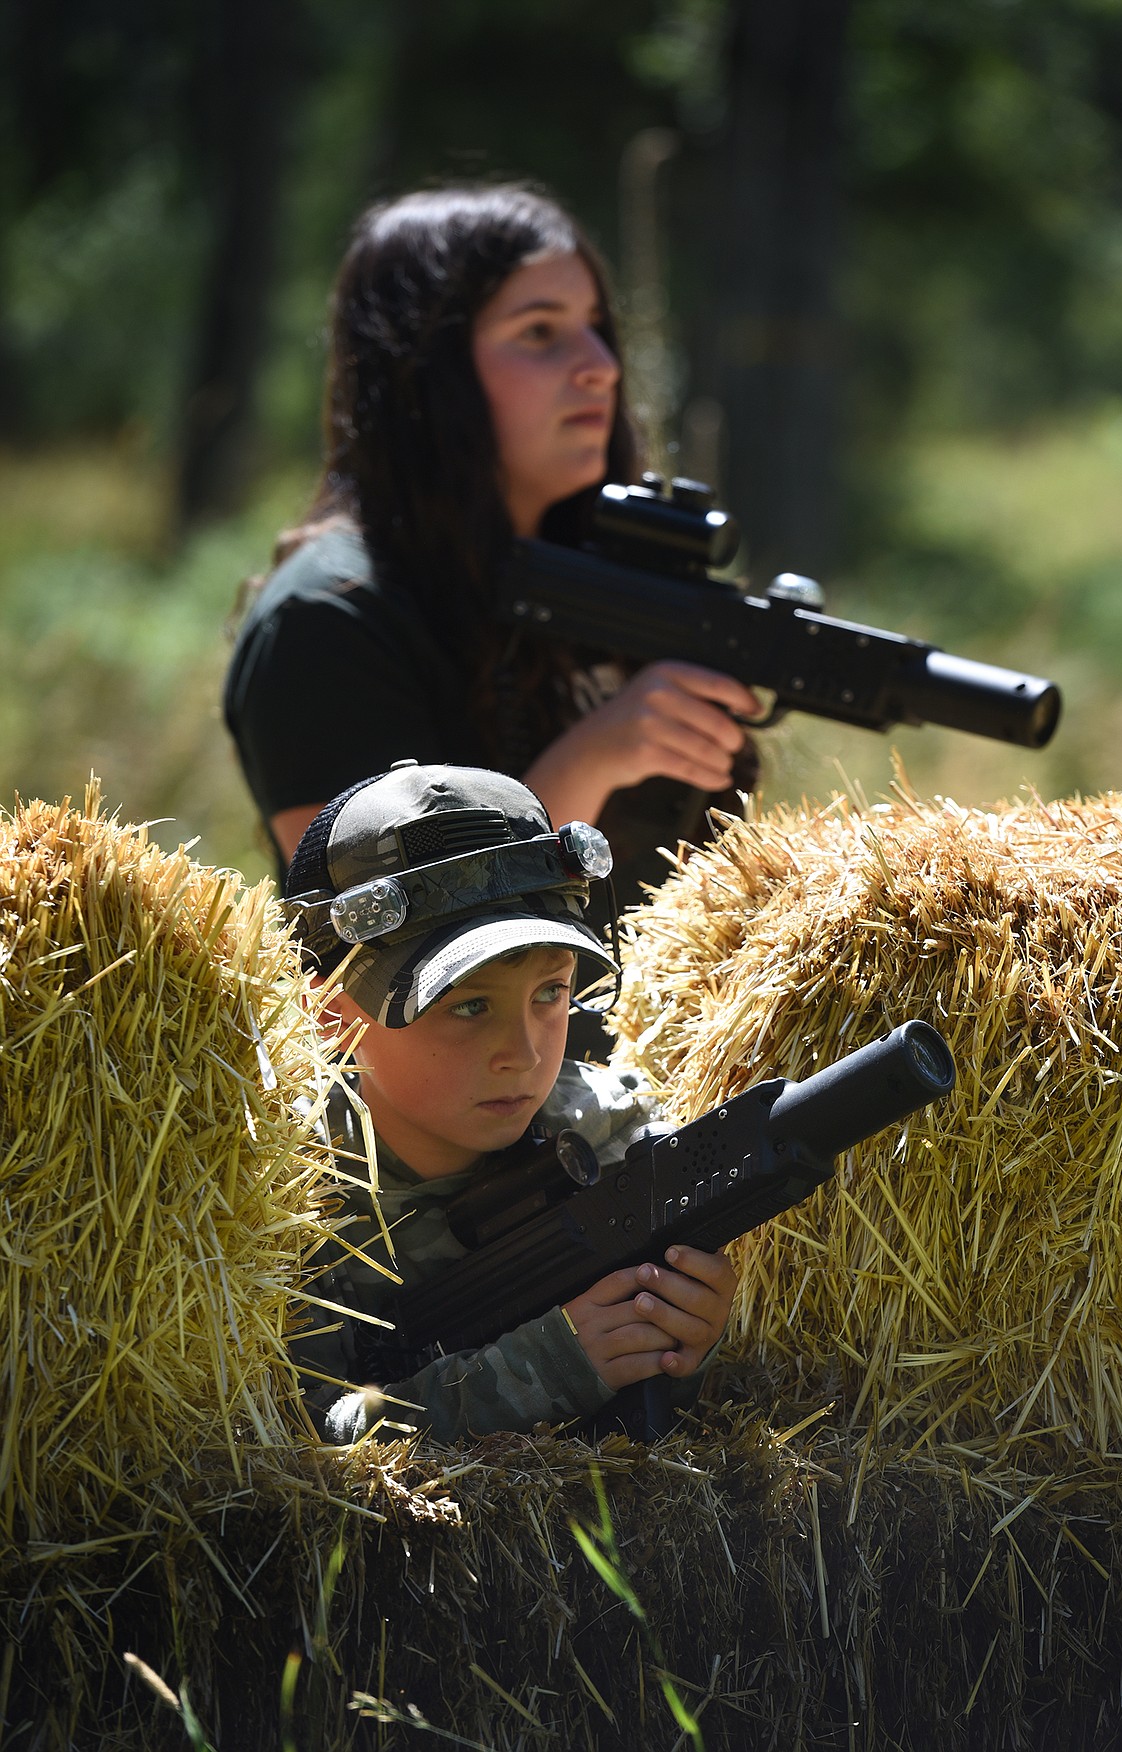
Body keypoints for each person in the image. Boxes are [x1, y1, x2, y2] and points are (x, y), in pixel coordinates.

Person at [223, 183, 759, 920]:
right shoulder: (327, 621)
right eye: (540, 332)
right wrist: (593, 758)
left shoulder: (597, 581)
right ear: (426, 370)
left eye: (598, 326)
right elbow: (383, 936)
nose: (600, 363)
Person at [285, 759, 738, 1445]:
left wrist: (694, 1343)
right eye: (468, 1005)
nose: (524, 1054)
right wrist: (546, 1368)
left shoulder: (612, 1134)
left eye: (551, 994)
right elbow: (302, 1442)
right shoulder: (288, 1210)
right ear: (332, 1015)